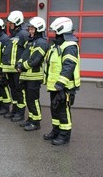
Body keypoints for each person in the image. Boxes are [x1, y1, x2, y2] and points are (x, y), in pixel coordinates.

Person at [43, 17, 80, 145]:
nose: (54, 34)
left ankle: (64, 136)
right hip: (55, 86)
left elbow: (68, 66)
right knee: (55, 109)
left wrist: (60, 84)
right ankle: (56, 131)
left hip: (64, 86)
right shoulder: (57, 44)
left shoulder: (70, 46)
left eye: (56, 31)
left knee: (63, 111)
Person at [15, 17, 49, 131]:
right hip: (26, 76)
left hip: (34, 76)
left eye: (32, 29)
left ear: (39, 29)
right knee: (29, 99)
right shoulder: (31, 41)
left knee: (33, 99)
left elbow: (35, 60)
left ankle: (36, 122)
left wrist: (22, 66)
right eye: (29, 29)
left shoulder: (42, 43)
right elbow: (24, 55)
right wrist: (18, 63)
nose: (30, 31)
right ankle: (30, 118)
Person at [3, 10, 29, 122]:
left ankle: (20, 113)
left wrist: (21, 65)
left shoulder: (23, 34)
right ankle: (14, 110)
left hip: (18, 70)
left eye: (11, 23)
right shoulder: (13, 34)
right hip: (11, 69)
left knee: (19, 91)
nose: (10, 25)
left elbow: (28, 51)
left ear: (17, 22)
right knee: (13, 90)